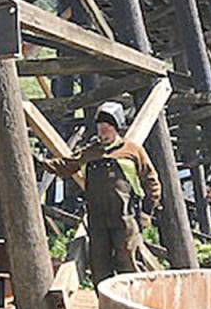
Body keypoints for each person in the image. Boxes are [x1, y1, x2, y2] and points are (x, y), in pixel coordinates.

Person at [39, 101, 162, 287]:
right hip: (97, 220)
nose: (103, 131)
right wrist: (41, 163)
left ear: (117, 127)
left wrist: (147, 212)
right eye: (100, 127)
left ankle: (132, 302)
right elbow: (66, 166)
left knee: (129, 263)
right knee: (100, 267)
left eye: (107, 127)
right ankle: (105, 303)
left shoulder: (133, 151)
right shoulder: (90, 152)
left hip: (125, 219)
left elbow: (151, 181)